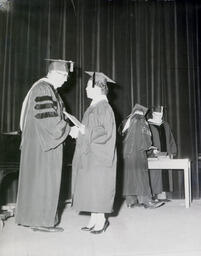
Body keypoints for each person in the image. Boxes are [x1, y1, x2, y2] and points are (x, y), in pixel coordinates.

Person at [15, 59, 76, 232]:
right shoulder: (43, 89)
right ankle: (41, 221)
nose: (65, 80)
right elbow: (49, 121)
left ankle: (35, 218)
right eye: (63, 75)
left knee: (38, 181)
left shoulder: (47, 90)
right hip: (44, 146)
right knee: (44, 181)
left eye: (66, 76)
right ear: (53, 74)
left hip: (40, 143)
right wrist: (69, 130)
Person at [70, 72, 117, 234]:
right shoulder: (94, 106)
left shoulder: (104, 108)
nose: (85, 88)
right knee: (91, 186)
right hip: (90, 154)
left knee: (98, 187)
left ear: (98, 88)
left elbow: (106, 133)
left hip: (99, 156)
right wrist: (79, 131)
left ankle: (101, 220)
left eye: (88, 85)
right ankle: (94, 218)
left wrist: (83, 130)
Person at [121, 104, 164, 209]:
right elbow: (144, 138)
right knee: (142, 177)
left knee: (130, 177)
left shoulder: (128, 120)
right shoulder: (140, 119)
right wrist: (149, 146)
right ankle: (147, 201)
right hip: (138, 153)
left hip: (127, 153)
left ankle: (131, 201)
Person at [148, 106, 177, 201]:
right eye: (157, 115)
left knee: (165, 173)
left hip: (165, 153)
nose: (159, 117)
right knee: (155, 174)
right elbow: (146, 140)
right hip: (154, 154)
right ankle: (155, 195)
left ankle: (162, 196)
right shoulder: (148, 125)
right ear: (153, 114)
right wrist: (151, 150)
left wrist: (172, 151)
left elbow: (170, 138)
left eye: (161, 115)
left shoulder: (165, 124)